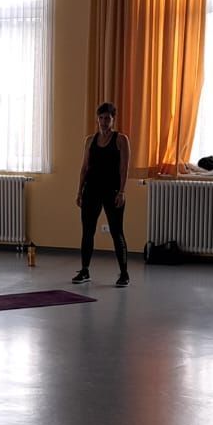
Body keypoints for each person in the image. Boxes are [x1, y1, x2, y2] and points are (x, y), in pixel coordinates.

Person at [73, 102, 131, 287]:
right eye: (101, 118)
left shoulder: (121, 139)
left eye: (108, 118)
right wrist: (79, 191)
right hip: (91, 190)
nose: (104, 122)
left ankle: (124, 274)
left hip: (112, 191)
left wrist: (122, 191)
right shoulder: (90, 140)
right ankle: (85, 270)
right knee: (87, 231)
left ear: (113, 120)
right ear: (97, 119)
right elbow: (84, 168)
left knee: (116, 231)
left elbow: (124, 169)